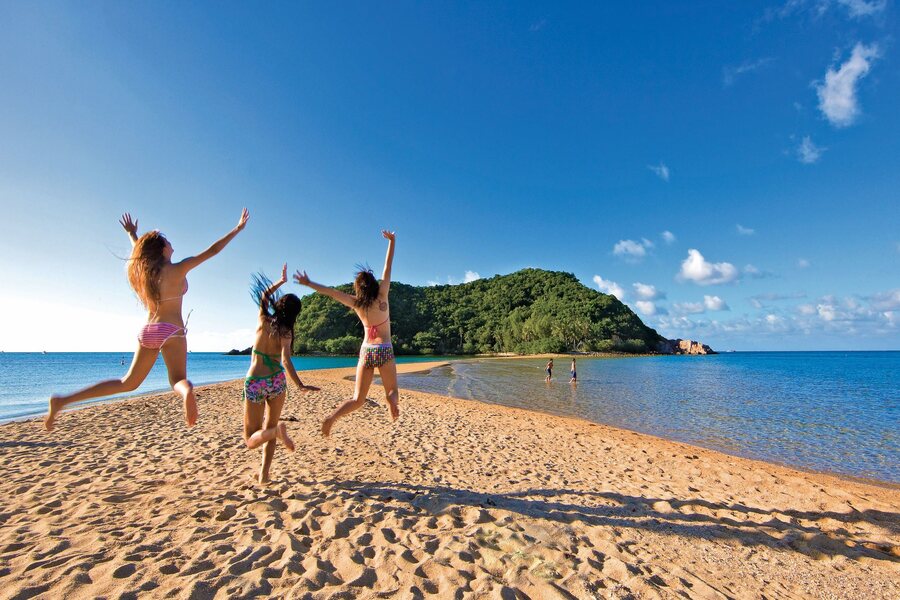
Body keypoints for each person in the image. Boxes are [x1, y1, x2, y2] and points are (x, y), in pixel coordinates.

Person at [44, 209, 250, 431]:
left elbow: (139, 252)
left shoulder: (146, 272)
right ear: (162, 249)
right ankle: (187, 391)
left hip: (149, 330)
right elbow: (213, 250)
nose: (172, 244)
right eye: (168, 242)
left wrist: (133, 234)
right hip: (172, 331)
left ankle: (63, 401)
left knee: (128, 383)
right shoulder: (179, 269)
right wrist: (237, 229)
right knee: (177, 380)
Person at [293, 230, 398, 437]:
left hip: (367, 350)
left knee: (358, 399)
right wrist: (392, 242)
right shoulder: (383, 294)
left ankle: (332, 418)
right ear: (375, 284)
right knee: (392, 391)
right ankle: (392, 404)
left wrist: (309, 283)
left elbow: (332, 292)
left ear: (358, 288)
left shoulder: (356, 303)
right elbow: (388, 267)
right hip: (385, 348)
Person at [243, 264, 319, 483]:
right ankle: (264, 475)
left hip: (256, 380)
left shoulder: (263, 320)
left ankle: (274, 437)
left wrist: (281, 281)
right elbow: (286, 360)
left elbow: (264, 295)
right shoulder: (286, 332)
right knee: (271, 426)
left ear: (279, 305)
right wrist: (300, 385)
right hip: (277, 382)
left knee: (250, 438)